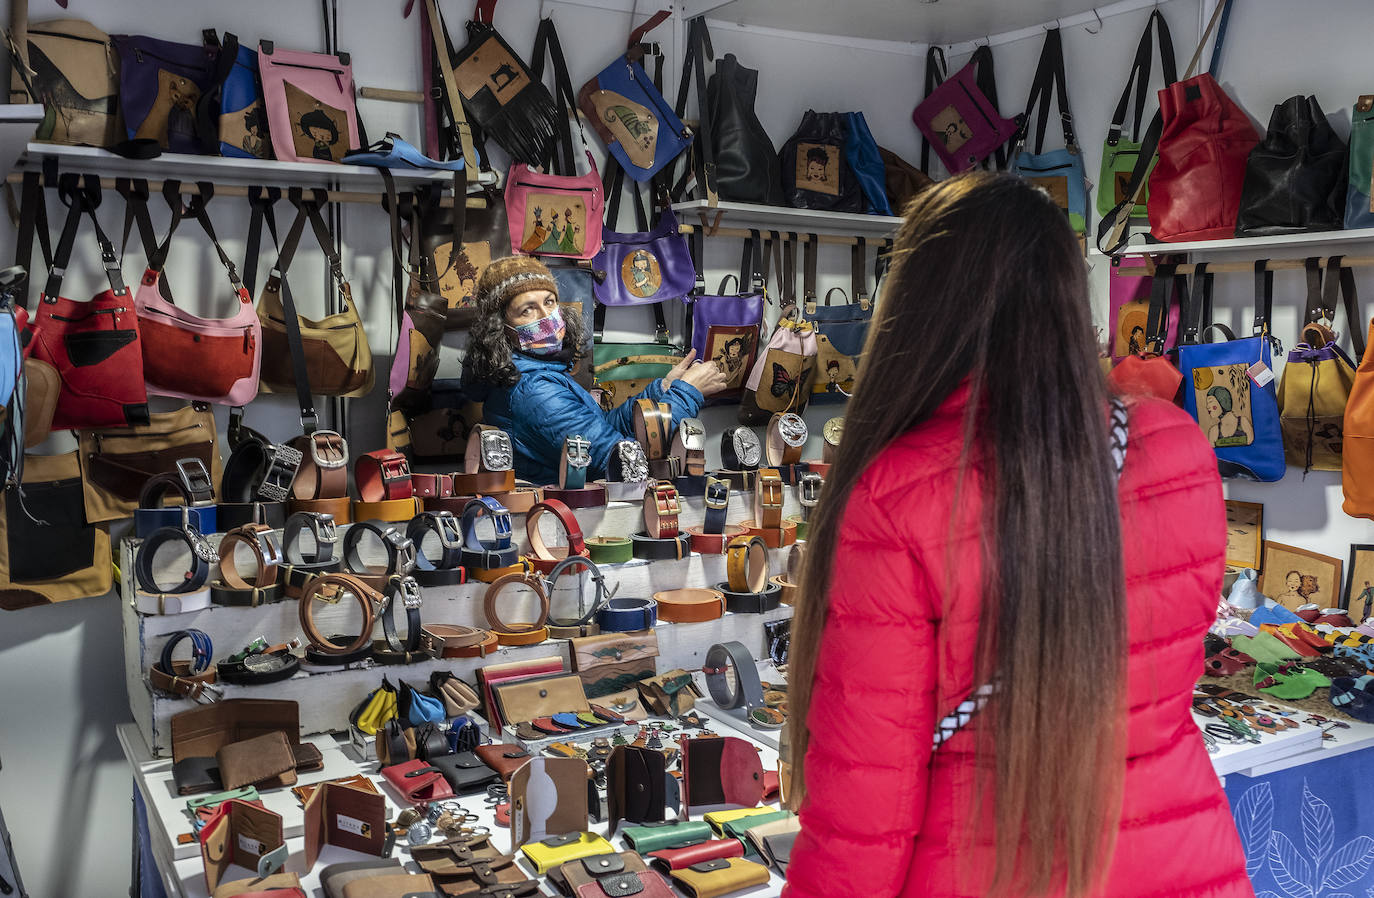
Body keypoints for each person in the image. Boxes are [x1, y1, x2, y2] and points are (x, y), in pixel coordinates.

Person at [784, 173, 1251, 898]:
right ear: (1067, 295)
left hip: (982, 868)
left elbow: (865, 809)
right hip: (1181, 857)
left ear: (918, 306)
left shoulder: (900, 491)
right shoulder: (1177, 446)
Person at [464, 256, 727, 484]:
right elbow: (618, 461)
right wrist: (687, 394)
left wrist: (662, 392)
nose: (546, 316)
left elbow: (600, 427)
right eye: (527, 310)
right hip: (564, 520)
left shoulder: (538, 373)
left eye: (550, 301)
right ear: (499, 328)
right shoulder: (533, 390)